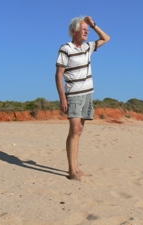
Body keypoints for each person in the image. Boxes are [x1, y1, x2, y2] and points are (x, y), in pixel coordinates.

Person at [55, 15, 110, 180]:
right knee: (74, 130)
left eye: (87, 30)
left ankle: (77, 168)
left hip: (87, 94)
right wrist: (62, 98)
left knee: (79, 131)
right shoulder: (66, 49)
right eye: (83, 29)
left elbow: (106, 38)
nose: (87, 32)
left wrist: (93, 25)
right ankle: (72, 171)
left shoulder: (88, 47)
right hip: (74, 95)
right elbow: (58, 75)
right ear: (73, 31)